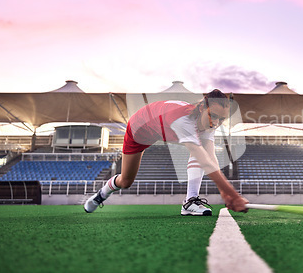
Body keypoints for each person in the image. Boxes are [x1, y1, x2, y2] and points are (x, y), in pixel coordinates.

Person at [84, 89, 248, 215]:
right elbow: (205, 161)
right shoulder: (183, 121)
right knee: (125, 182)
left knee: (202, 152)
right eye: (214, 116)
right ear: (202, 108)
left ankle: (190, 202)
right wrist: (232, 194)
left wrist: (224, 193)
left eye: (222, 119)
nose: (217, 123)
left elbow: (211, 158)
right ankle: (101, 194)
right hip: (139, 131)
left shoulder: (210, 122)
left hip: (160, 131)